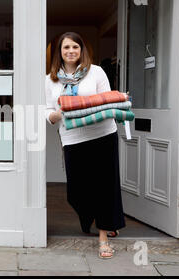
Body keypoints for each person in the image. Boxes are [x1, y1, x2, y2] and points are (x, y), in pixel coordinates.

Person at [45, 32, 126, 259]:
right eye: (66, 47)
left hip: (102, 135)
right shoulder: (50, 79)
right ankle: (98, 218)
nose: (71, 51)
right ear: (59, 52)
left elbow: (106, 100)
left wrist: (80, 107)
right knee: (77, 190)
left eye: (75, 47)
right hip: (72, 138)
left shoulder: (96, 72)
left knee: (104, 186)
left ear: (82, 50)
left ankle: (103, 236)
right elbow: (47, 109)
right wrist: (57, 114)